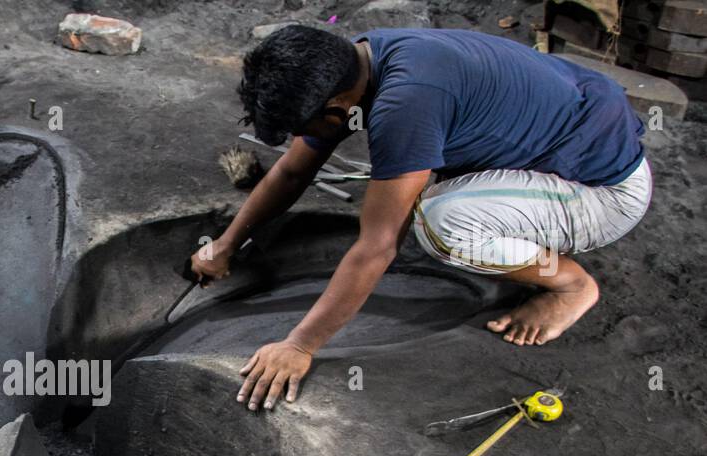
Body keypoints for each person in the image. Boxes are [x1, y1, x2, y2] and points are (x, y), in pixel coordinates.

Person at [191, 26, 652, 411]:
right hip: (567, 140)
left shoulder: (404, 107)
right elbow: (294, 170)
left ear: (336, 110)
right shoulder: (358, 60)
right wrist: (226, 245)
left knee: (440, 220)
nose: (301, 140)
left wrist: (298, 345)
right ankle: (525, 229)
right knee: (419, 192)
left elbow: (378, 246)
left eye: (304, 129)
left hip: (604, 194)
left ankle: (570, 285)